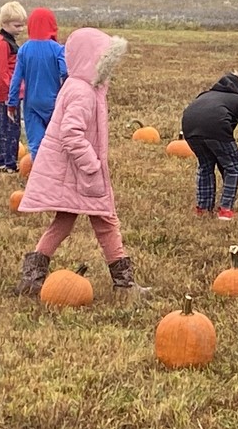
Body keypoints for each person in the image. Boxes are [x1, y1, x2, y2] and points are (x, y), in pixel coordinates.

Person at [15, 28, 150, 299]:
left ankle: (32, 277)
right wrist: (92, 165)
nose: (109, 70)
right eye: (105, 63)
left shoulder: (82, 87)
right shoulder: (83, 92)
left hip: (75, 173)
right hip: (81, 173)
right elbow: (71, 134)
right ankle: (124, 286)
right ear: (92, 61)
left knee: (65, 221)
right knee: (106, 221)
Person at [181, 71, 238, 221]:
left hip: (190, 128)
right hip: (216, 129)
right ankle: (225, 210)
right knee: (234, 166)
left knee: (205, 166)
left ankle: (203, 208)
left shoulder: (205, 95)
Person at [6, 7, 67, 159]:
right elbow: (65, 72)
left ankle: (39, 176)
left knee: (36, 145)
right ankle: (56, 174)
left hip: (31, 104)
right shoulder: (58, 49)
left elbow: (16, 79)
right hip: (54, 102)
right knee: (56, 142)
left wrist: (12, 103)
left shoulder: (24, 50)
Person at [0, 1, 27, 172]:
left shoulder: (9, 41)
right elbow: (1, 71)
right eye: (17, 25)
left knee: (4, 126)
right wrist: (11, 93)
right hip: (7, 95)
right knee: (9, 129)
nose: (20, 29)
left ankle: (3, 160)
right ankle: (8, 162)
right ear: (4, 24)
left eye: (22, 25)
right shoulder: (3, 43)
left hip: (11, 93)